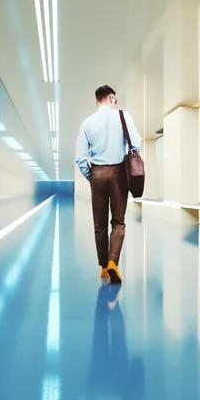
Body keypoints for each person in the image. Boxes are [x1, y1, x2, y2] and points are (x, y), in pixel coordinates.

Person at [75, 85, 142, 283]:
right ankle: (114, 262)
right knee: (118, 221)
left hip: (97, 173)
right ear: (112, 98)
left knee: (99, 224)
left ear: (97, 101)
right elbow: (136, 144)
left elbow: (80, 159)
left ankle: (104, 267)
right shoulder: (124, 116)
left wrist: (93, 176)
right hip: (119, 174)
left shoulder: (86, 123)